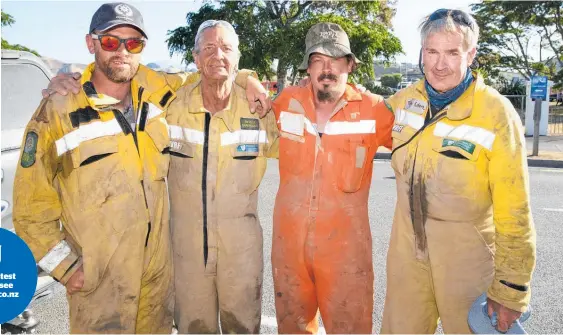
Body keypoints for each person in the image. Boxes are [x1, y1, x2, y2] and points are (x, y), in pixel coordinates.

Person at [20, 3, 268, 333]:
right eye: (111, 42)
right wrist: (64, 267)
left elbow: (210, 70)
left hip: (157, 280)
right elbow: (30, 209)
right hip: (101, 286)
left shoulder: (156, 91)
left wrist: (249, 78)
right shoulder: (58, 110)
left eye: (133, 43)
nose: (122, 51)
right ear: (91, 44)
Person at [379, 9, 536, 334]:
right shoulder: (405, 102)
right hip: (408, 254)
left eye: (452, 52)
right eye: (431, 52)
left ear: (471, 54)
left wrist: (510, 289)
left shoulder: (496, 113)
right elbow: (353, 107)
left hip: (468, 258)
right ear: (421, 52)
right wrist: (245, 78)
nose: (439, 64)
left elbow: (515, 210)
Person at [270, 22, 394, 334]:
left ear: (350, 65)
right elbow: (244, 96)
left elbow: (419, 141)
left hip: (346, 256)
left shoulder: (375, 109)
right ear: (307, 67)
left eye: (336, 59)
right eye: (318, 60)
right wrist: (247, 79)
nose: (327, 69)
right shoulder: (285, 102)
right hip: (289, 254)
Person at [165, 20, 279, 334]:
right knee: (193, 328)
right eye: (210, 48)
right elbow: (136, 82)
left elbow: (298, 150)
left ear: (238, 57)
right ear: (196, 58)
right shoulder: (172, 106)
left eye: (227, 48)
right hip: (186, 251)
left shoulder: (259, 109)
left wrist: (249, 80)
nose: (218, 56)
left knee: (242, 327)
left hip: (241, 251)